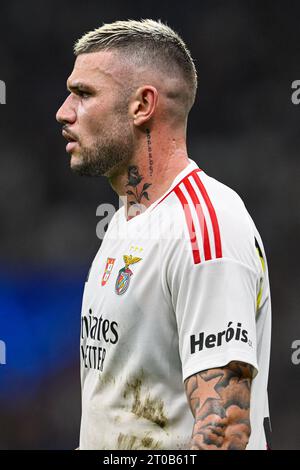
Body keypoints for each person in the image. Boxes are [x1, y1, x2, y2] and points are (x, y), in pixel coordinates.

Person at [56, 19, 272, 450]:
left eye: (84, 93)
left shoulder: (205, 227)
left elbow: (227, 432)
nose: (64, 111)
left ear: (142, 105)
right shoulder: (127, 220)